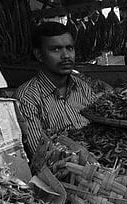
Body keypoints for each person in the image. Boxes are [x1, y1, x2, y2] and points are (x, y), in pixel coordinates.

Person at [15, 21, 96, 158]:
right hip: (65, 166)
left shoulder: (83, 87)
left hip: (104, 161)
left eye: (69, 48)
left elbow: (103, 130)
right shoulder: (27, 98)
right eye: (56, 49)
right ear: (39, 55)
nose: (66, 56)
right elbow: (41, 154)